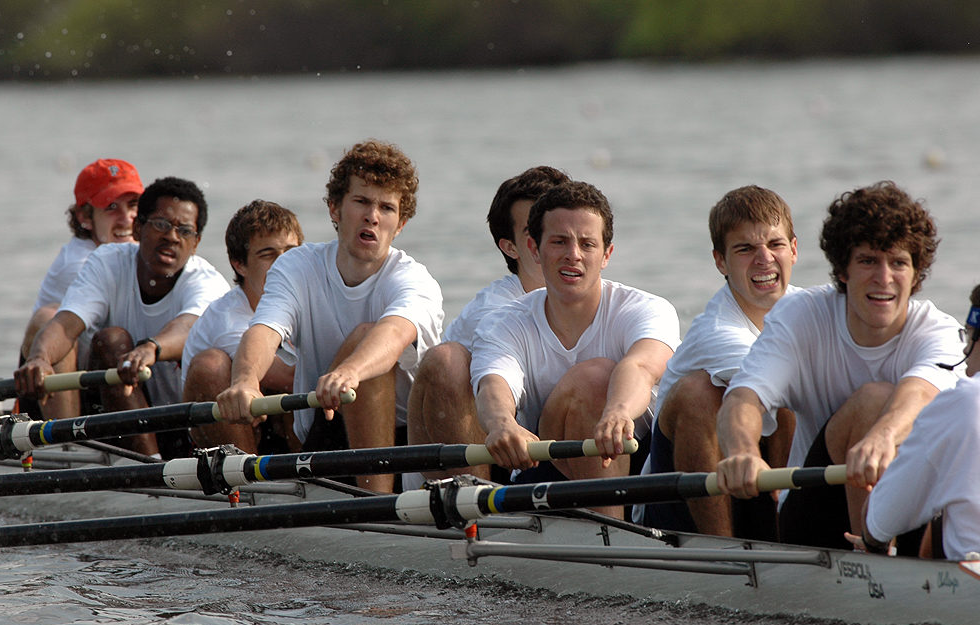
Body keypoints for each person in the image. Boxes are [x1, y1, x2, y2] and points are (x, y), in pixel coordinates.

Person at [716, 181, 965, 550]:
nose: (884, 278)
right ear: (843, 270)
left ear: (916, 274)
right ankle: (873, 556)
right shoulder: (802, 316)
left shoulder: (939, 332)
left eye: (898, 263)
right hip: (814, 510)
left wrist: (882, 437)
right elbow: (743, 399)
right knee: (872, 399)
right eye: (868, 261)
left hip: (911, 507)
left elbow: (920, 392)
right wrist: (742, 453)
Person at [215, 140, 443, 493]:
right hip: (329, 433)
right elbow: (265, 329)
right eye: (362, 202)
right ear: (335, 209)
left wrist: (351, 371)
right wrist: (245, 382)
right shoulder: (298, 266)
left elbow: (396, 332)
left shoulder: (414, 279)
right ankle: (372, 509)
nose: (373, 216)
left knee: (379, 341)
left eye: (387, 207)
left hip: (407, 445)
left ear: (400, 225)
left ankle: (382, 505)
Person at [470, 180, 680, 519]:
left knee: (596, 379)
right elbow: (494, 382)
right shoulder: (503, 322)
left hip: (641, 462)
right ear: (534, 249)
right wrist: (501, 424)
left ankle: (613, 541)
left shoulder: (647, 309)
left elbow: (642, 366)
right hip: (545, 466)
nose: (574, 255)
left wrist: (618, 412)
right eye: (559, 242)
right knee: (591, 379)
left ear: (607, 254)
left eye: (587, 243)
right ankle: (611, 545)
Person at [15, 176, 231, 458]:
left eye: (184, 230)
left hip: (183, 422)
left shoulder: (206, 281)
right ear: (138, 228)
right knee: (111, 340)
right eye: (161, 224)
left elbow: (189, 325)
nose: (171, 237)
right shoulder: (108, 262)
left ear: (196, 242)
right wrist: (40, 357)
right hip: (118, 414)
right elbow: (66, 324)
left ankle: (150, 473)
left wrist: (151, 347)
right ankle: (145, 466)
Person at [635, 186, 799, 539]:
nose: (764, 259)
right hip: (677, 500)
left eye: (775, 244)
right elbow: (785, 391)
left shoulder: (818, 311)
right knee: (699, 392)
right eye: (745, 249)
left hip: (762, 481)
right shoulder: (717, 331)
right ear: (720, 261)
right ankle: (723, 552)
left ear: (794, 250)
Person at [406, 166, 570, 484]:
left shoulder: (611, 303)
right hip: (474, 458)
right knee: (448, 358)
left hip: (534, 454)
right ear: (511, 247)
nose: (554, 238)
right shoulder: (495, 311)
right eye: (535, 229)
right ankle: (477, 513)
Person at [852, 271, 980, 560]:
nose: (965, 350)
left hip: (979, 587)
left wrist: (873, 544)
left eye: (971, 336)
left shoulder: (965, 399)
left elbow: (879, 521)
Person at [19, 158, 144, 419]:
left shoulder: (133, 256)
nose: (127, 219)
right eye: (111, 207)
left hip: (100, 376)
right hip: (52, 391)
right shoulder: (79, 265)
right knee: (50, 317)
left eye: (133, 205)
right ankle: (67, 448)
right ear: (85, 217)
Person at [182, 200, 304, 454]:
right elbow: (292, 378)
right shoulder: (228, 318)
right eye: (267, 254)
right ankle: (246, 482)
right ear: (239, 264)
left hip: (273, 423)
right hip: (224, 431)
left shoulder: (308, 300)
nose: (282, 264)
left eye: (291, 252)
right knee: (211, 363)